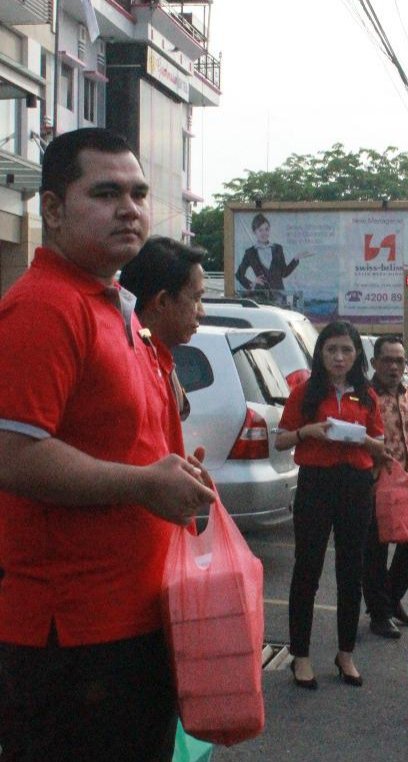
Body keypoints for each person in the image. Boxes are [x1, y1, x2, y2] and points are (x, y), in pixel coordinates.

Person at [0, 128, 216, 761]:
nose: (130, 207)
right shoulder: (45, 307)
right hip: (74, 637)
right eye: (105, 192)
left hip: (134, 620)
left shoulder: (115, 307)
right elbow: (14, 454)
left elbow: (130, 443)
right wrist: (146, 484)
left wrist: (171, 476)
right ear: (52, 209)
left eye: (139, 192)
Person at [275, 321, 387, 689]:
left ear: (357, 356)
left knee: (351, 569)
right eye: (331, 350)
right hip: (316, 484)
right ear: (320, 353)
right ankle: (301, 656)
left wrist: (365, 441)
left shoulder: (367, 395)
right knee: (307, 567)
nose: (339, 358)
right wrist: (309, 432)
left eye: (346, 351)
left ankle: (345, 653)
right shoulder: (305, 392)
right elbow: (280, 440)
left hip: (355, 484)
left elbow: (380, 443)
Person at [364, 335, 408, 639]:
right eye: (387, 360)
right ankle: (379, 614)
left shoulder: (406, 392)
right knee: (376, 551)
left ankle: (391, 599)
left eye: (399, 361)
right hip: (374, 482)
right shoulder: (364, 395)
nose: (393, 366)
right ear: (375, 362)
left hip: (405, 478)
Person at [119, 236, 207, 428]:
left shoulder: (157, 358)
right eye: (196, 298)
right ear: (162, 301)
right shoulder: (129, 365)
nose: (202, 312)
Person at [235, 212, 299, 301]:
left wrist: (295, 259)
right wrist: (252, 283)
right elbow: (239, 275)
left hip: (279, 295)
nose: (264, 233)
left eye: (266, 229)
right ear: (254, 232)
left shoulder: (278, 248)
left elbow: (284, 273)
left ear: (269, 230)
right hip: (260, 296)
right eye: (260, 230)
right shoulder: (250, 252)